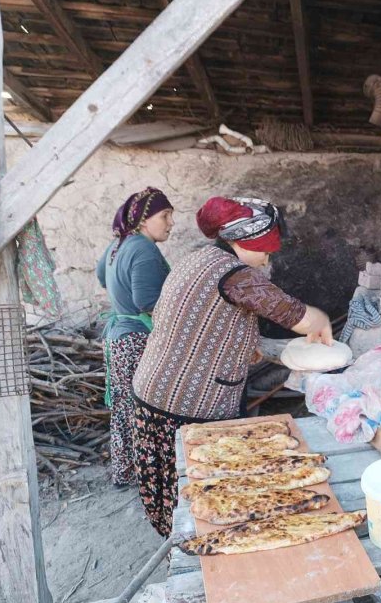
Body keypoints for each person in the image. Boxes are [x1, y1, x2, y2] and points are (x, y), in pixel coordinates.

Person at [131, 196, 333, 536]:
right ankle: (194, 566)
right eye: (266, 250)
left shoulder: (200, 258)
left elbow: (222, 328)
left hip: (154, 391)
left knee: (177, 497)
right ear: (243, 241)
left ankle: (182, 551)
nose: (268, 258)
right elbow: (299, 316)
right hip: (184, 405)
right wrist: (321, 320)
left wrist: (277, 353)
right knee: (200, 501)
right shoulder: (236, 276)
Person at [97, 187, 175, 487]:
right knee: (146, 406)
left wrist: (122, 299)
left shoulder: (116, 246)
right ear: (143, 220)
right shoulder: (143, 248)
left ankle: (125, 472)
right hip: (138, 339)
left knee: (123, 406)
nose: (170, 223)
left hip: (118, 337)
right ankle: (149, 475)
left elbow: (102, 276)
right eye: (165, 216)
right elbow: (148, 301)